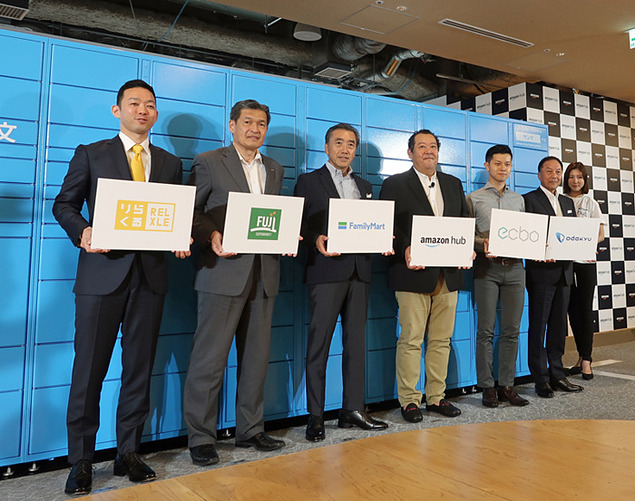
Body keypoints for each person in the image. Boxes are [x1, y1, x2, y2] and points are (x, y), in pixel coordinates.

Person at [53, 80, 187, 495]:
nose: (142, 110)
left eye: (150, 105)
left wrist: (180, 236)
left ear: (156, 113)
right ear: (118, 110)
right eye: (134, 103)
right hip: (101, 277)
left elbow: (173, 216)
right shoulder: (92, 153)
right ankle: (81, 461)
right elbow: (64, 204)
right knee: (88, 371)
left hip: (150, 277)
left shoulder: (169, 163)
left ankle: (128, 452)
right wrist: (84, 231)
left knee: (139, 370)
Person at [183, 99, 286, 467]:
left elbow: (272, 217)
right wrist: (211, 234)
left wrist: (286, 234)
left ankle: (251, 429)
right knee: (209, 360)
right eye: (247, 122)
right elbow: (190, 211)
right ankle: (201, 437)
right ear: (232, 125)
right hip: (221, 272)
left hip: (264, 273)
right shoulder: (209, 162)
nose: (254, 129)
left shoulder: (274, 168)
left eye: (261, 124)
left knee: (256, 358)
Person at [294, 123, 389, 442]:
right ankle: (316, 415)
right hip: (325, 272)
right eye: (339, 142)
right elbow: (298, 226)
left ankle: (353, 409)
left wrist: (383, 237)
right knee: (318, 345)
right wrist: (315, 239)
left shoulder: (364, 185)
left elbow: (369, 225)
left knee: (356, 344)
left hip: (360, 272)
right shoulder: (308, 181)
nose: (345, 148)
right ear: (326, 147)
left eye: (350, 144)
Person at [379, 129, 470, 422]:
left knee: (441, 340)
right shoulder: (394, 184)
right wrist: (403, 248)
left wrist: (467, 249)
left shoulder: (453, 184)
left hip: (448, 275)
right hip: (412, 275)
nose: (428, 151)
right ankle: (409, 400)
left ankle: (436, 397)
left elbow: (464, 222)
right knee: (411, 340)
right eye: (421, 146)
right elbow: (385, 227)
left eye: (433, 146)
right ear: (410, 153)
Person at [466, 145, 529, 407]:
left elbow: (526, 233)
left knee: (512, 330)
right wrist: (482, 244)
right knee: (486, 330)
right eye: (497, 163)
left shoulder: (518, 200)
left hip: (515, 269)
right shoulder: (474, 198)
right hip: (487, 269)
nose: (503, 168)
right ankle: (487, 387)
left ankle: (506, 385)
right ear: (487, 165)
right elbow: (466, 235)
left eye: (507, 164)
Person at [523, 156, 583, 398]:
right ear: (539, 174)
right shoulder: (529, 200)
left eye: (558, 171)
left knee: (558, 328)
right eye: (548, 171)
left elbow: (573, 235)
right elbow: (526, 236)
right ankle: (541, 379)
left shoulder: (567, 201)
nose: (554, 176)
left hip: (564, 273)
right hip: (541, 274)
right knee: (538, 327)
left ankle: (558, 374)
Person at [563, 162, 605, 380]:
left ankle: (587, 359)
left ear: (585, 180)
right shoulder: (560, 200)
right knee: (571, 310)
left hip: (586, 263)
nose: (575, 181)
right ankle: (580, 357)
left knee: (585, 310)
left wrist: (584, 244)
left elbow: (600, 235)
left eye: (579, 177)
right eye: (571, 176)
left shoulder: (591, 202)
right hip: (565, 263)